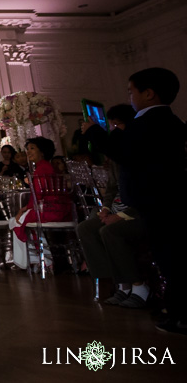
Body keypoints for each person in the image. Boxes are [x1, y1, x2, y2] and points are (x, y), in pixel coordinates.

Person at [81, 68, 187, 334]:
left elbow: (124, 153)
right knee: (171, 258)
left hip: (158, 201)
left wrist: (95, 132)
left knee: (171, 259)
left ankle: (180, 315)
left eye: (131, 91)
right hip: (165, 200)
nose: (130, 97)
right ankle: (175, 311)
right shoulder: (169, 121)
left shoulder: (149, 122)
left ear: (148, 93)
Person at [76, 104, 149, 308]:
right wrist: (106, 208)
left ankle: (138, 285)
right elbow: (111, 188)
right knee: (86, 228)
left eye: (117, 125)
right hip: (119, 209)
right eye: (112, 126)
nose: (115, 130)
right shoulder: (117, 156)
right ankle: (119, 283)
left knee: (110, 231)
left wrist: (122, 216)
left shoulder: (138, 151)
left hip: (140, 212)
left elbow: (145, 194)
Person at [7, 137, 71, 272]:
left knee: (15, 222)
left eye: (32, 149)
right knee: (18, 220)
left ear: (42, 151)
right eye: (27, 149)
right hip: (58, 208)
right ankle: (38, 259)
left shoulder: (42, 169)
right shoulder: (47, 167)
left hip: (48, 209)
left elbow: (38, 195)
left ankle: (27, 261)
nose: (28, 152)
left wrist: (24, 209)